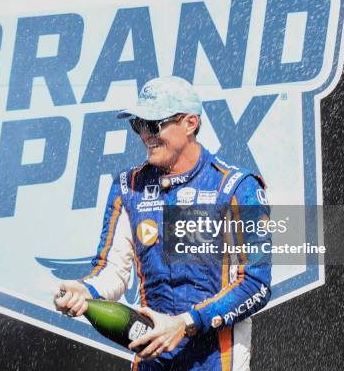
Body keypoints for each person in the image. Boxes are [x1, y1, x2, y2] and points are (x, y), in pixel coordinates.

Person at [54, 76, 272, 371]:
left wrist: (186, 324)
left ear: (190, 123)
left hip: (217, 361)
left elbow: (256, 284)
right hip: (153, 358)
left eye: (154, 124)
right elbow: (112, 272)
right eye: (138, 125)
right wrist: (85, 291)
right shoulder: (128, 186)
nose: (145, 135)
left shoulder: (238, 186)